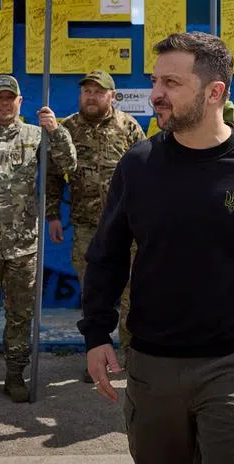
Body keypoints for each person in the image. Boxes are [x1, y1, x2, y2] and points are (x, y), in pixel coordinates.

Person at [80, 32, 234, 463]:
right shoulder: (138, 165)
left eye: (171, 83)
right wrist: (96, 333)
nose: (155, 94)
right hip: (151, 366)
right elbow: (106, 256)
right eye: (155, 82)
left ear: (215, 92)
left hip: (233, 366)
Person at [0, 74, 76, 402]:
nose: (5, 103)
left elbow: (68, 164)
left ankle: (15, 375)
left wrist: (56, 130)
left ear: (20, 102)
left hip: (24, 245)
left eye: (11, 98)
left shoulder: (36, 136)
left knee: (20, 313)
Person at [46, 70, 145, 373]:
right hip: (88, 227)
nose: (91, 96)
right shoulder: (67, 128)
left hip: (128, 227)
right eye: (86, 91)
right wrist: (52, 216)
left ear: (112, 96)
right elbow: (52, 176)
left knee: (132, 294)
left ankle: (131, 356)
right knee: (93, 295)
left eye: (98, 92)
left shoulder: (128, 127)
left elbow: (146, 173)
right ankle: (97, 359)